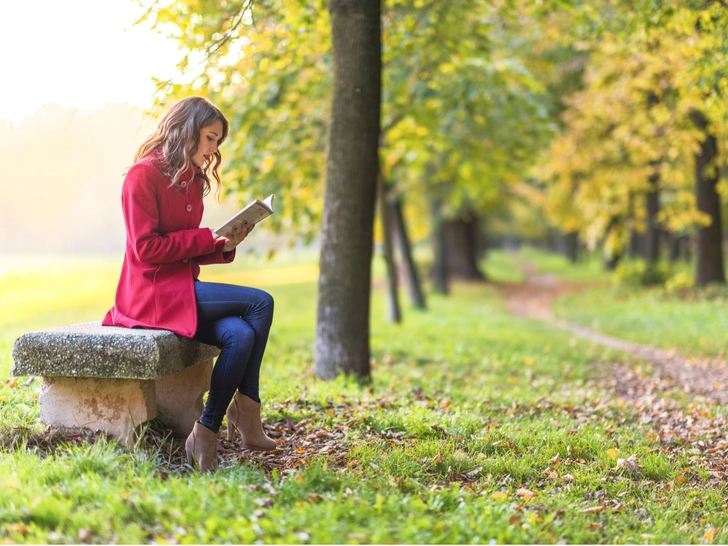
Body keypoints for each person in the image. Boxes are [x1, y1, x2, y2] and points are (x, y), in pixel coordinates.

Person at [103, 96, 276, 472]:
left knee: (240, 335)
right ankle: (247, 411)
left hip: (180, 288)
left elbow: (183, 249)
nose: (214, 149)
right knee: (260, 303)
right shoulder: (142, 175)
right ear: (187, 131)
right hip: (149, 295)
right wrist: (205, 238)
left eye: (218, 141)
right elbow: (147, 249)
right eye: (211, 138)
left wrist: (222, 245)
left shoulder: (190, 180)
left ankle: (206, 430)